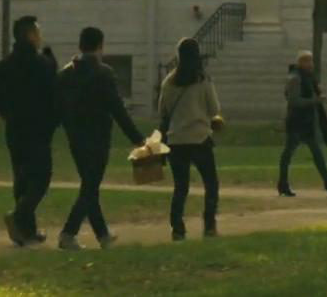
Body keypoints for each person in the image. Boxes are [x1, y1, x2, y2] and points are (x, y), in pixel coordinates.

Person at [54, 26, 144, 250]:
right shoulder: (103, 74)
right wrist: (136, 137)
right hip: (98, 137)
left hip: (75, 136)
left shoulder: (66, 74)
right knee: (90, 187)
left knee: (89, 185)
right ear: (100, 46)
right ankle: (68, 232)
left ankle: (102, 235)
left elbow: (59, 107)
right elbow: (117, 109)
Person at [0, 16, 60, 247]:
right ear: (30, 35)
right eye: (37, 32)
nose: (40, 36)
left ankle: (27, 231)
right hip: (38, 129)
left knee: (21, 177)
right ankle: (20, 215)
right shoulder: (42, 64)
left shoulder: (3, 66)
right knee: (41, 178)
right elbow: (53, 94)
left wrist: (9, 117)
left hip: (15, 128)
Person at [157, 37, 223, 240]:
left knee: (181, 187)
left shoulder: (169, 81)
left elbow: (163, 111)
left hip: (176, 140)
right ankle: (209, 225)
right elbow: (214, 109)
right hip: (200, 138)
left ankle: (177, 228)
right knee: (211, 184)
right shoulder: (202, 79)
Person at [277, 50, 327, 196]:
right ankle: (282, 183)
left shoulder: (307, 78)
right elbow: (294, 101)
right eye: (308, 61)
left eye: (311, 61)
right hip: (296, 121)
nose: (311, 64)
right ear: (301, 63)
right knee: (288, 153)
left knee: (317, 152)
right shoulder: (295, 78)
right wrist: (315, 101)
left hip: (306, 122)